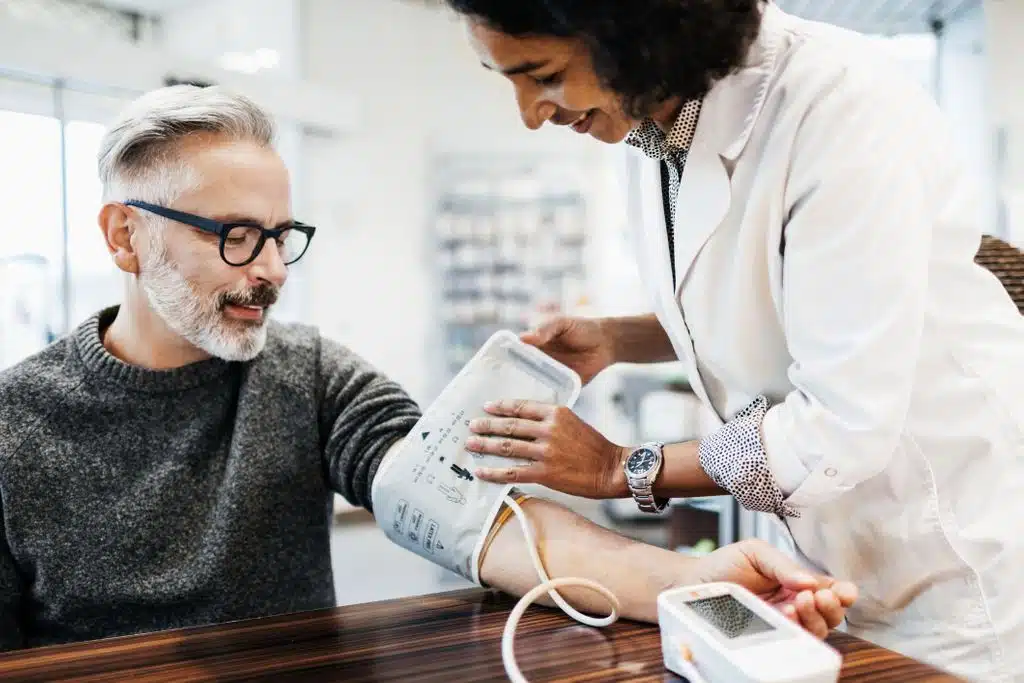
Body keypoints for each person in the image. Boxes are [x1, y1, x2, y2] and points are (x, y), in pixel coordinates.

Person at [0, 85, 855, 652]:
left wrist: (687, 579)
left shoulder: (308, 375)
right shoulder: (17, 422)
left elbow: (473, 516)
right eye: (235, 235)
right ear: (123, 235)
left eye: (281, 236)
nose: (271, 269)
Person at [446, 1, 1024, 681]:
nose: (530, 113)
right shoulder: (652, 125)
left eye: (542, 75)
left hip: (958, 559)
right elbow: (764, 296)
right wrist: (616, 338)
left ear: (636, 30)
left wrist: (624, 468)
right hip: (834, 552)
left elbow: (842, 425)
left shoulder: (839, 108)